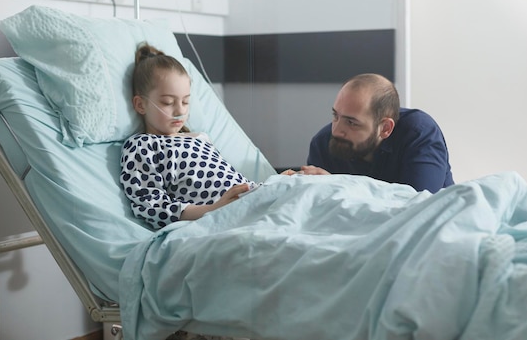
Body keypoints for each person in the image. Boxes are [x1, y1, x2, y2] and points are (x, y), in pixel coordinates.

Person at [119, 44, 290, 230]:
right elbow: (151, 206)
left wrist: (273, 184)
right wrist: (213, 209)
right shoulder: (142, 146)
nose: (180, 110)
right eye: (167, 102)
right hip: (224, 215)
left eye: (185, 101)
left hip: (253, 199)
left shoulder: (200, 138)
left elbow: (230, 180)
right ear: (141, 105)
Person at [303, 73, 454, 193]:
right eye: (336, 116)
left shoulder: (419, 133)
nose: (336, 131)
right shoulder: (323, 143)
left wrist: (338, 188)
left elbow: (418, 209)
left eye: (351, 123)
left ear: (385, 128)